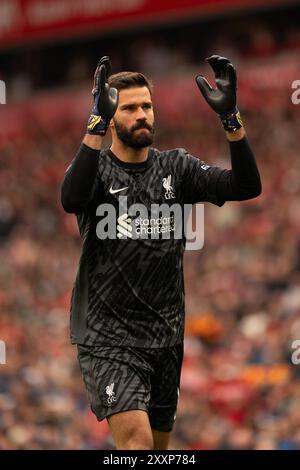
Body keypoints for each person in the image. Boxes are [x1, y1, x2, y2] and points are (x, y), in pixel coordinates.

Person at [61, 55, 261, 450]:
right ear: (112, 116)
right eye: (130, 108)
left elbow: (246, 185)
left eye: (147, 106)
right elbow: (70, 199)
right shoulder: (97, 170)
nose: (142, 115)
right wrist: (94, 126)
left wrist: (232, 120)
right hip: (108, 336)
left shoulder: (177, 168)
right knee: (136, 443)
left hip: (166, 335)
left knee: (157, 448)